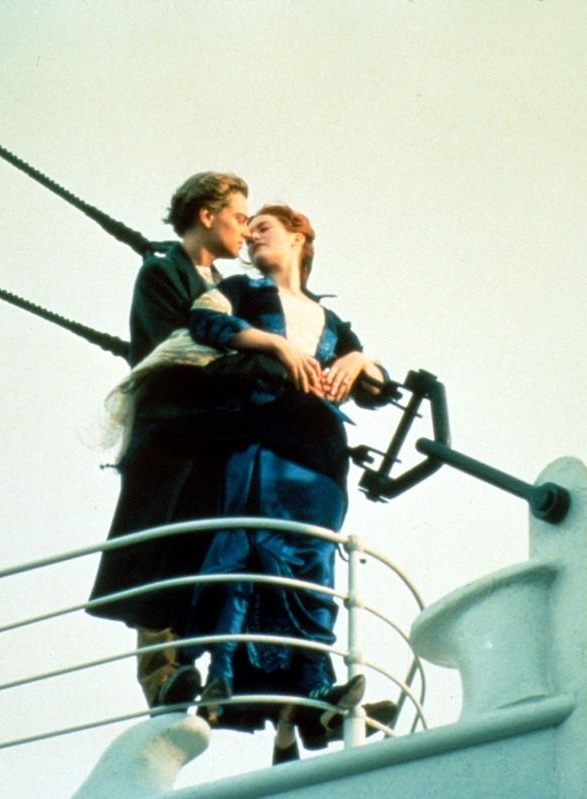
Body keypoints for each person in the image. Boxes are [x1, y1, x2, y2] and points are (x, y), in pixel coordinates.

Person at [175, 203, 391, 760]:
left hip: (319, 453)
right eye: (247, 233)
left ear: (298, 236)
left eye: (263, 228)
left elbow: (379, 389)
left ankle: (314, 686)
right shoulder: (241, 290)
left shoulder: (330, 319)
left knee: (312, 565)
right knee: (249, 549)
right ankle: (223, 674)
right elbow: (206, 322)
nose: (251, 238)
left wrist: (360, 361)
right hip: (262, 434)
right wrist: (275, 345)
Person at [87, 172, 252, 709]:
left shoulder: (228, 288)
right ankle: (162, 676)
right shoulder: (163, 272)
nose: (246, 229)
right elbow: (177, 349)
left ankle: (202, 671)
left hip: (211, 438)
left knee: (202, 551)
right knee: (158, 549)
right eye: (239, 216)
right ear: (207, 214)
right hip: (171, 433)